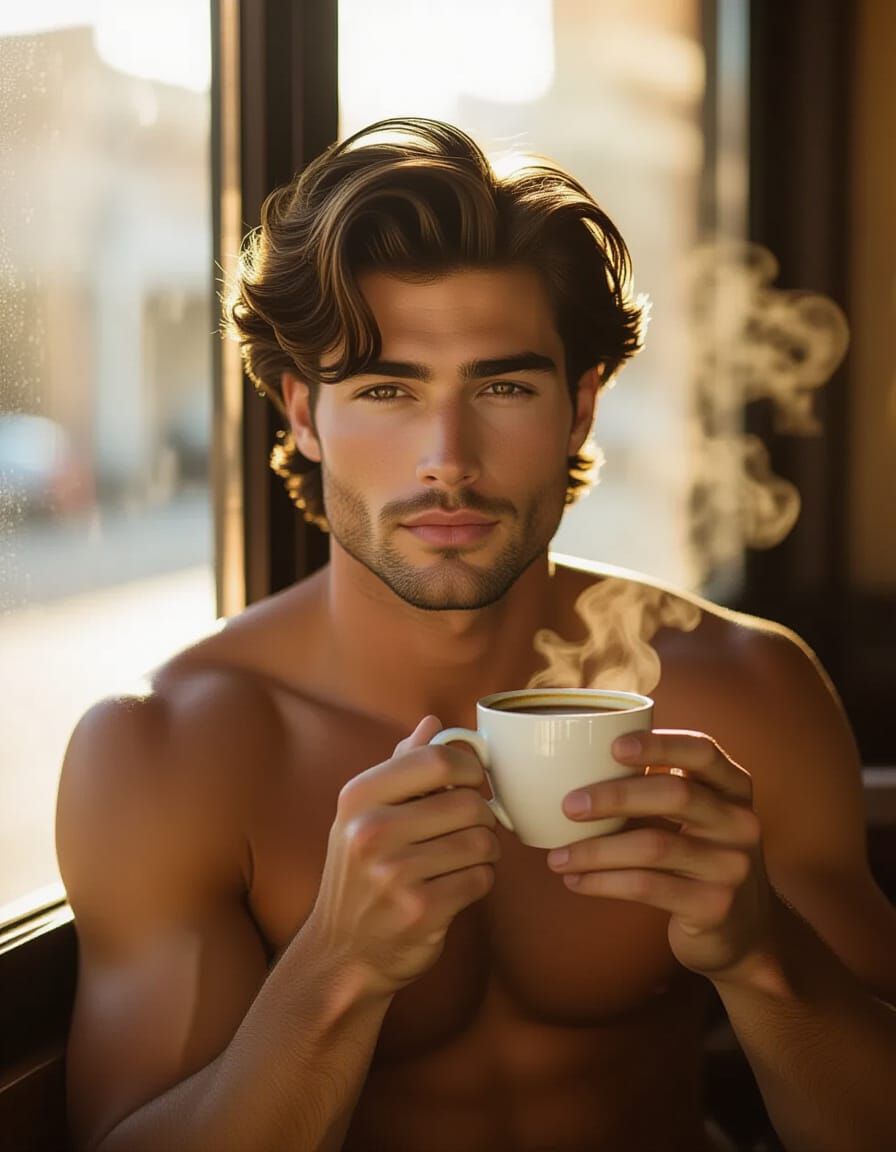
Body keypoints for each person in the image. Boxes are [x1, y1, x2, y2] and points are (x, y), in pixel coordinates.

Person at [57, 118, 896, 1152]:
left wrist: (760, 955)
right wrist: (336, 968)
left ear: (580, 407)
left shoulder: (747, 692)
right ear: (301, 414)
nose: (446, 458)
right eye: (386, 389)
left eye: (501, 386)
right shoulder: (165, 750)